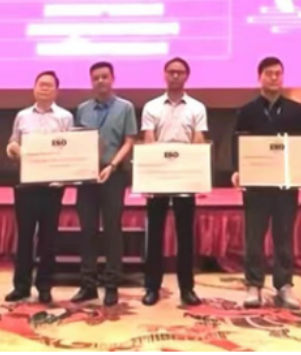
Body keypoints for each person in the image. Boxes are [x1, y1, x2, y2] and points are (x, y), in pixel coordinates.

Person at [230, 57, 301, 310]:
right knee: (254, 236)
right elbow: (237, 143)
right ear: (259, 77)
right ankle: (254, 284)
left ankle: (283, 285)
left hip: (286, 184)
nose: (274, 77)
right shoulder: (247, 110)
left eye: (278, 73)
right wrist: (237, 169)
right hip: (256, 184)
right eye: (269, 73)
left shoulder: (296, 110)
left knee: (284, 236)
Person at [140, 57, 207, 306]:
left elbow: (198, 141)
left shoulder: (197, 107)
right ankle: (151, 288)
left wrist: (197, 177)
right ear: (164, 74)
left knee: (185, 235)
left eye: (180, 72)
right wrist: (149, 178)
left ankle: (187, 289)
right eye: (171, 71)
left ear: (187, 76)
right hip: (159, 176)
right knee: (155, 234)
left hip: (185, 176)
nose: (175, 76)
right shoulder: (152, 106)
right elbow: (149, 140)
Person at [71, 62, 138, 307]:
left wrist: (112, 165)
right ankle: (87, 284)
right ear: (91, 81)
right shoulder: (82, 109)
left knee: (112, 229)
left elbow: (129, 141)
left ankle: (111, 285)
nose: (100, 81)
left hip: (114, 174)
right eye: (96, 77)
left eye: (104, 76)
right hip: (86, 176)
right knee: (87, 230)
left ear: (112, 79)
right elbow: (77, 141)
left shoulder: (125, 107)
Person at [5, 71, 73, 304]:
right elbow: (13, 143)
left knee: (48, 239)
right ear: (34, 88)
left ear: (56, 91)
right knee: (24, 237)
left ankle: (44, 286)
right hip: (27, 185)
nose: (44, 88)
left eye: (49, 85)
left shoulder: (65, 117)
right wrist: (13, 149)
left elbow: (70, 148)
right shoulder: (22, 116)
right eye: (40, 84)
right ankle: (21, 286)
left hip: (52, 186)